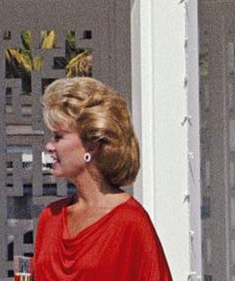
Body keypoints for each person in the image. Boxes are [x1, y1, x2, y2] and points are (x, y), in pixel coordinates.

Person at [32, 76, 171, 281]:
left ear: (92, 145)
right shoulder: (50, 218)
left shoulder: (130, 221)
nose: (49, 146)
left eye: (58, 137)